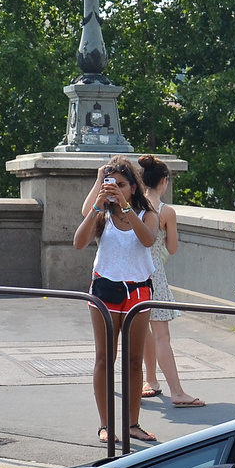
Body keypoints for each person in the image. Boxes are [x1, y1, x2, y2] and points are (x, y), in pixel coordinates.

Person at [74, 156, 159, 446]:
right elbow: (78, 242)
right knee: (104, 358)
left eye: (122, 185)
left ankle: (132, 423)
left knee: (135, 361)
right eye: (112, 184)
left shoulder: (146, 214)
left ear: (134, 187)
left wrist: (125, 208)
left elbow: (148, 239)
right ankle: (106, 425)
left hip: (137, 290)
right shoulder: (101, 214)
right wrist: (100, 192)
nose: (116, 189)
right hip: (105, 289)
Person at [136, 155, 204, 408]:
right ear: (164, 182)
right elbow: (172, 248)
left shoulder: (132, 207)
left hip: (132, 274)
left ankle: (149, 380)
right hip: (155, 276)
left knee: (140, 331)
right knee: (162, 336)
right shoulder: (165, 211)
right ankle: (177, 391)